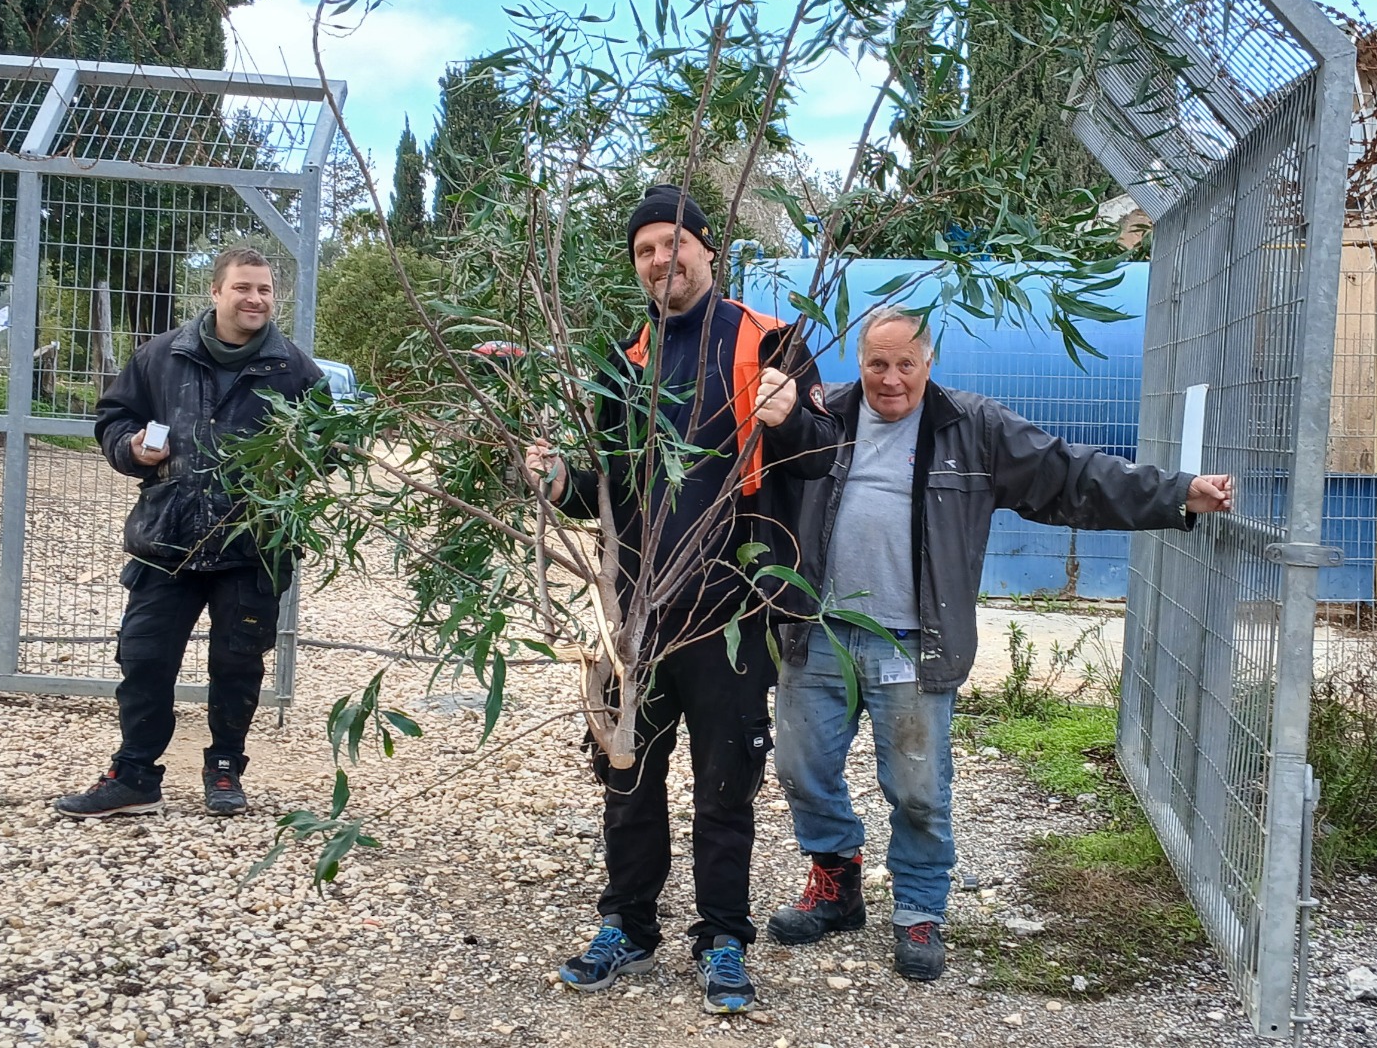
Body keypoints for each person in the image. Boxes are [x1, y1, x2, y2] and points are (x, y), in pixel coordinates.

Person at [765, 306, 1234, 981]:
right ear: (859, 362)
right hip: (820, 634)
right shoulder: (822, 417)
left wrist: (1177, 495)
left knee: (919, 791)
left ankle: (920, 909)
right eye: (877, 363)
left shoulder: (972, 428)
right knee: (800, 771)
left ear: (929, 364)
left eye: (905, 364)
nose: (890, 380)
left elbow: (1071, 476)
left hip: (911, 642)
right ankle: (836, 884)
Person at [523, 185, 841, 1015]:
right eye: (645, 250)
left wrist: (786, 420)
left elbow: (818, 457)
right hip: (638, 613)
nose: (663, 260)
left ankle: (723, 938)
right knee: (627, 770)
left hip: (731, 610)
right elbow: (608, 489)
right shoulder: (622, 364)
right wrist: (559, 482)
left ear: (708, 249)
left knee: (726, 779)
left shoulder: (771, 342)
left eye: (675, 243)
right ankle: (627, 923)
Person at [55, 246, 323, 820]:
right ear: (216, 293)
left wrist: (301, 463)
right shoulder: (161, 356)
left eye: (266, 290)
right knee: (145, 659)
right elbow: (113, 418)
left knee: (238, 664)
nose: (256, 299)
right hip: (166, 541)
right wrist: (129, 448)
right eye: (243, 288)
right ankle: (133, 776)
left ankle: (224, 769)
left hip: (252, 547)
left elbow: (325, 447)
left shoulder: (294, 369)